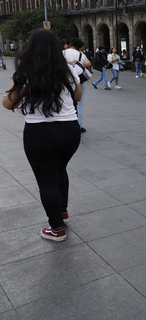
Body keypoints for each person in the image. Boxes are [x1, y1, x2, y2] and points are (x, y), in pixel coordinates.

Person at [2, 29, 82, 241]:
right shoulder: (67, 70)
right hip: (71, 130)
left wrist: (19, 83)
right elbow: (78, 95)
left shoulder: (27, 73)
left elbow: (8, 103)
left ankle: (56, 229)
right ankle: (62, 213)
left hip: (41, 133)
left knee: (47, 181)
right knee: (60, 170)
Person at [64, 38, 91, 132]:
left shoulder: (63, 52)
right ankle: (78, 125)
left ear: (70, 43)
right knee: (79, 104)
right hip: (78, 82)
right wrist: (78, 63)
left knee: (65, 102)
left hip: (64, 82)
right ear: (80, 47)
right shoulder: (80, 54)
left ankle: (65, 124)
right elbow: (88, 64)